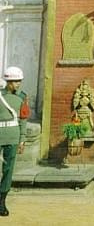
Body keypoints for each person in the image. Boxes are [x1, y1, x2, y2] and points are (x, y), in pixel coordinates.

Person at [0, 66, 29, 216]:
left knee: (8, 170)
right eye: (15, 81)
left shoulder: (22, 97)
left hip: (12, 136)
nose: (18, 84)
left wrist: (22, 139)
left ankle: (2, 201)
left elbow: (23, 119)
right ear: (8, 81)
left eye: (19, 81)